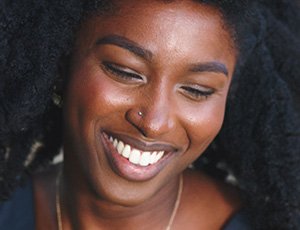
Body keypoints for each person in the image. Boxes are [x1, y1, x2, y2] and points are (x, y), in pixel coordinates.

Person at [0, 0, 299, 229]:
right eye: (125, 72)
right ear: (61, 63)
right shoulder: (9, 208)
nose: (154, 123)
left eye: (197, 90)